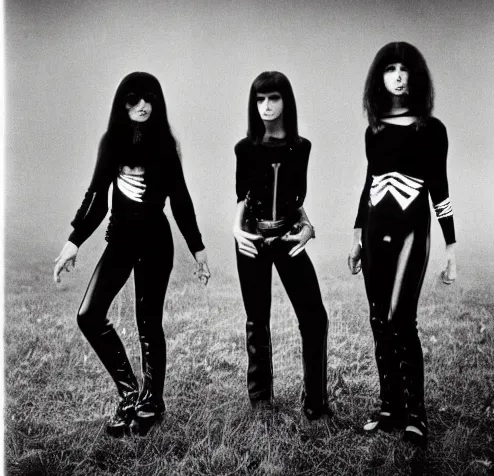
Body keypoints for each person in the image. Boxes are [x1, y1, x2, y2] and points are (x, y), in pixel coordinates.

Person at [53, 72, 210, 437]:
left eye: (149, 99)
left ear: (157, 103)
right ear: (122, 104)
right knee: (89, 315)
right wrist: (72, 242)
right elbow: (96, 198)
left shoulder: (165, 147)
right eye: (134, 99)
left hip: (156, 242)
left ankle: (152, 401)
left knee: (147, 322)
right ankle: (129, 394)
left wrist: (198, 249)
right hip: (120, 241)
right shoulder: (112, 143)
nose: (142, 106)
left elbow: (181, 201)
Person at [348, 42, 457, 447]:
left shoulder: (431, 129)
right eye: (389, 68)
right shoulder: (373, 131)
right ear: (379, 77)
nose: (397, 75)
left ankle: (417, 415)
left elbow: (440, 191)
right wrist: (357, 236)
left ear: (415, 77)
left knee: (398, 320)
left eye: (404, 69)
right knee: (378, 320)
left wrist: (450, 249)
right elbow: (370, 183)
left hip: (415, 232)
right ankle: (389, 409)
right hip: (375, 232)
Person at [233, 71, 331, 421]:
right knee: (257, 318)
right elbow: (243, 198)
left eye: (273, 98)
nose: (266, 106)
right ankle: (260, 401)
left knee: (314, 316)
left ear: (286, 101)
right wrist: (235, 228)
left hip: (289, 237)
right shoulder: (244, 148)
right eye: (260, 99)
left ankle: (316, 401)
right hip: (252, 239)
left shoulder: (301, 147)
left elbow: (293, 198)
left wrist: (308, 226)